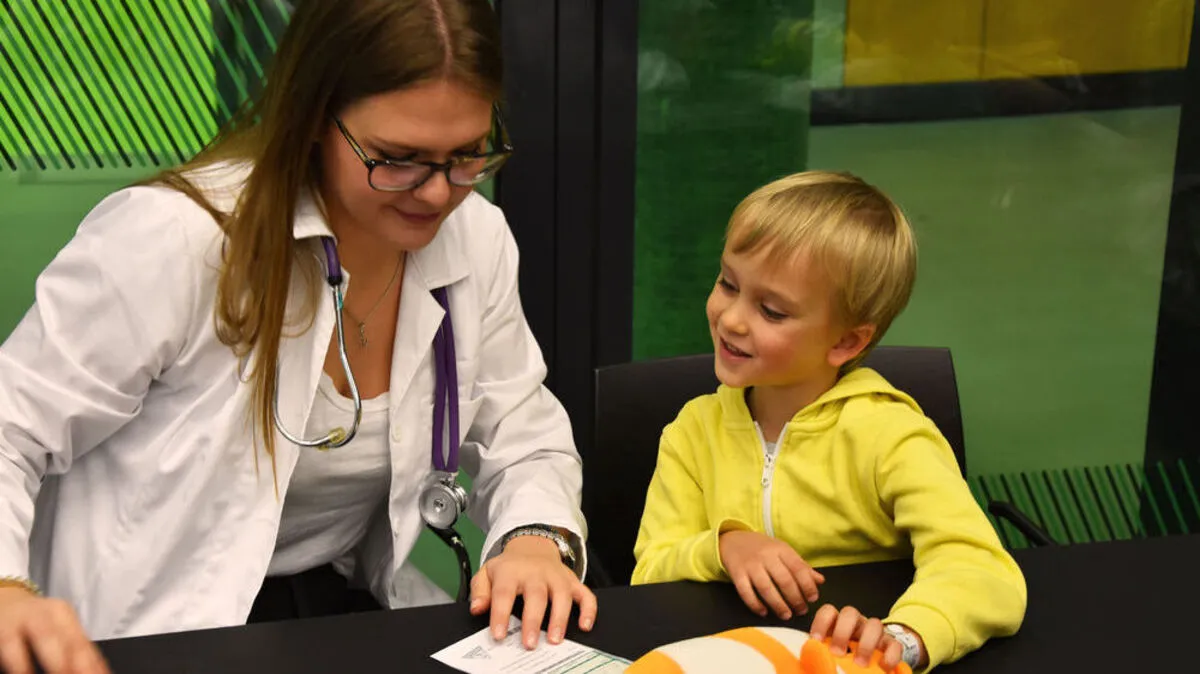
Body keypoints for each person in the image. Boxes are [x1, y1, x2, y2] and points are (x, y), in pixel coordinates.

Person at [0, 1, 596, 672]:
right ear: (314, 117)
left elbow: (521, 432)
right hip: (148, 631)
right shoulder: (177, 240)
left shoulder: (475, 242)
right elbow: (10, 428)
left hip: (326, 612)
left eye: (466, 155)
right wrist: (6, 591)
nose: (437, 194)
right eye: (399, 159)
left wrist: (534, 538)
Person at [629, 171, 1026, 672]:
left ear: (846, 342)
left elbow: (983, 570)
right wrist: (723, 546)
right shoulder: (692, 432)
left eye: (772, 311)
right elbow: (649, 573)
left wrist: (901, 637)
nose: (730, 319)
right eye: (727, 283)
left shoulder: (890, 435)